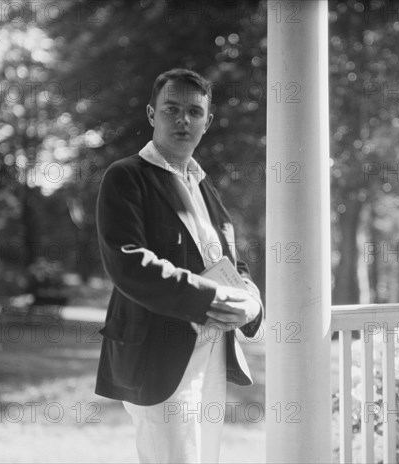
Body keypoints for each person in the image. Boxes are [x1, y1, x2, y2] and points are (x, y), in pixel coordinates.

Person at [94, 68, 263, 463]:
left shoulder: (206, 187)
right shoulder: (126, 177)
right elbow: (129, 263)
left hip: (214, 354)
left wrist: (252, 303)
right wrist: (215, 297)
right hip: (157, 355)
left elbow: (233, 264)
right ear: (152, 115)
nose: (182, 120)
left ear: (208, 121)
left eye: (194, 111)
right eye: (171, 109)